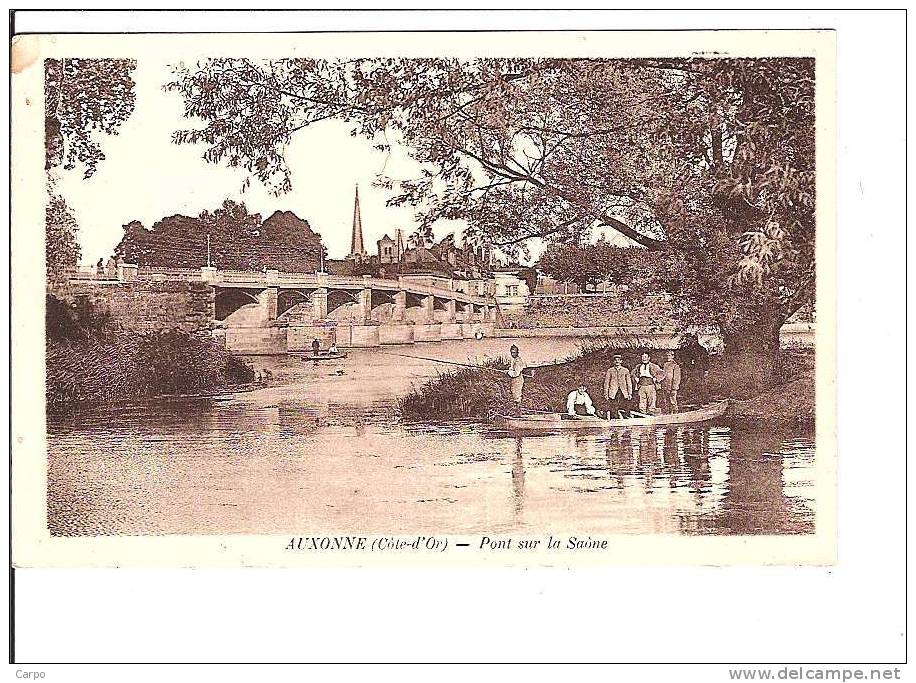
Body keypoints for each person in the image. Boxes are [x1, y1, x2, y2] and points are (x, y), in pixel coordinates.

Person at [604, 353, 633, 419]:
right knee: (614, 406)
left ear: (621, 361)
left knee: (625, 405)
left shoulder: (625, 370)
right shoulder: (610, 370)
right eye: (615, 360)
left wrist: (630, 393)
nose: (617, 361)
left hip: (623, 391)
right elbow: (606, 383)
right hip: (613, 391)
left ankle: (625, 418)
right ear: (613, 361)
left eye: (619, 360)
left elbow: (629, 383)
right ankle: (614, 419)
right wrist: (606, 393)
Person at [506, 344, 527, 414]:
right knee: (514, 394)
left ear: (517, 353)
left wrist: (509, 372)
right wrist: (509, 370)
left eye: (514, 352)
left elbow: (516, 373)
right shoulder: (514, 360)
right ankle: (516, 412)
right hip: (514, 379)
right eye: (511, 352)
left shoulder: (518, 361)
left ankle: (518, 413)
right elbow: (512, 369)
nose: (512, 354)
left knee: (517, 395)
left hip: (517, 379)